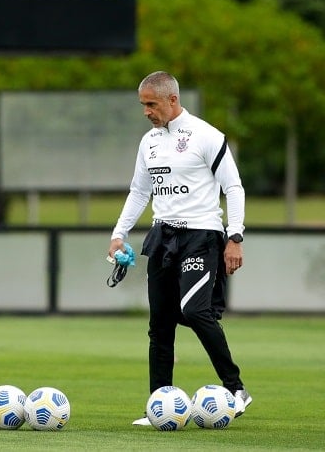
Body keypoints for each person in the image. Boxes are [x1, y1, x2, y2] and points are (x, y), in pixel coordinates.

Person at [108, 71, 252, 426]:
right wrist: (118, 234)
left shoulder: (206, 135)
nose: (146, 111)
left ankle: (235, 389)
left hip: (202, 236)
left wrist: (234, 237)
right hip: (162, 236)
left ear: (172, 99)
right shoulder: (149, 142)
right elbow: (139, 192)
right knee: (159, 325)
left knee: (195, 310)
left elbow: (233, 188)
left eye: (151, 104)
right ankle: (158, 403)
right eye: (143, 105)